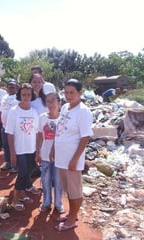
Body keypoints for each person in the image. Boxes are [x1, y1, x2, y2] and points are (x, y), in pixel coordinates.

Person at [53, 79, 93, 232]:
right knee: (68, 189)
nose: (69, 95)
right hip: (62, 157)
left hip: (72, 158)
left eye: (72, 92)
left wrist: (75, 159)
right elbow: (60, 130)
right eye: (66, 92)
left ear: (80, 93)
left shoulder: (83, 111)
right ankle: (71, 214)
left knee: (75, 190)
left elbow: (85, 137)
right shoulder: (65, 107)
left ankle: (71, 220)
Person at [6, 83, 41, 211]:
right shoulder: (14, 112)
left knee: (31, 170)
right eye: (23, 94)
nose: (26, 97)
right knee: (23, 173)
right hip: (19, 149)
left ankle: (22, 193)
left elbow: (37, 132)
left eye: (28, 94)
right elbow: (9, 133)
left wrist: (38, 150)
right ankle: (15, 198)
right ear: (19, 95)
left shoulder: (34, 112)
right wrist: (12, 152)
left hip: (31, 149)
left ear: (32, 96)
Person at [36, 92, 65, 213]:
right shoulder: (42, 117)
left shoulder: (63, 118)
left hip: (60, 156)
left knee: (58, 181)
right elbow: (39, 135)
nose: (51, 104)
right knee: (45, 179)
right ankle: (46, 202)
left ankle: (58, 204)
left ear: (59, 103)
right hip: (45, 155)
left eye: (53, 100)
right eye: (48, 101)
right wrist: (38, 151)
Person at [0, 79, 19, 173]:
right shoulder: (4, 97)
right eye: (9, 87)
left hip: (14, 128)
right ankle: (8, 162)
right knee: (5, 146)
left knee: (14, 147)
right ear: (6, 88)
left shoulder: (18, 98)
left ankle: (15, 165)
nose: (11, 88)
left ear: (16, 88)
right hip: (5, 127)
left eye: (13, 87)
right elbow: (1, 111)